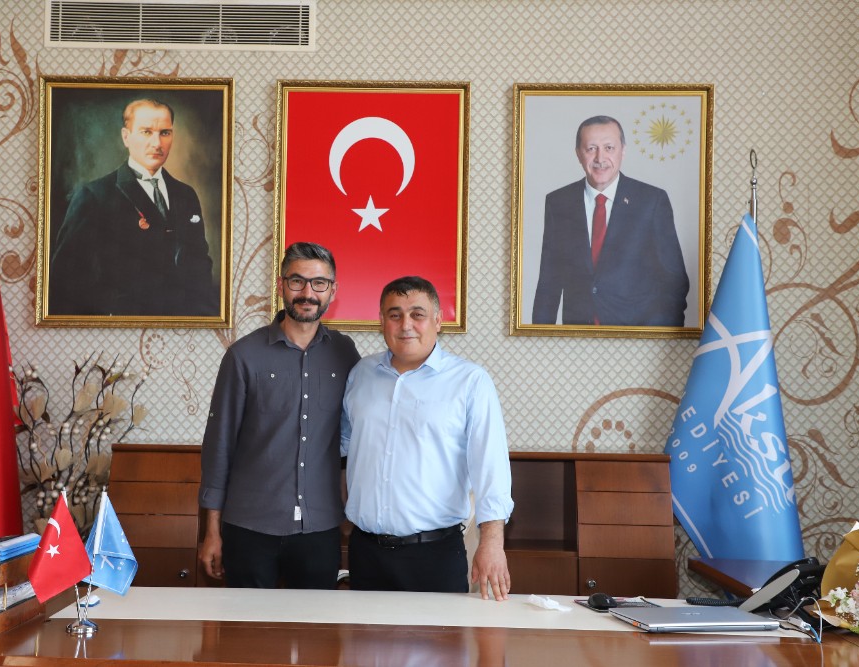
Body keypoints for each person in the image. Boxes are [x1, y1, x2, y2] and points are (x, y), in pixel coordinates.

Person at [341, 276, 514, 601]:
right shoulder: (360, 375)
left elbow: (491, 469)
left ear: (438, 321)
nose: (406, 324)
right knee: (363, 637)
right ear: (381, 321)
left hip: (434, 556)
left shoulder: (470, 381)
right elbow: (345, 450)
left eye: (417, 314)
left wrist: (492, 544)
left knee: (442, 637)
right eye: (395, 314)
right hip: (366, 553)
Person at [199, 242, 360, 588]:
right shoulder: (243, 356)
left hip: (320, 528)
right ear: (281, 286)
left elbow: (354, 436)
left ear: (333, 291)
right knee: (246, 623)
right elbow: (219, 445)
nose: (308, 293)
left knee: (315, 623)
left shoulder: (345, 354)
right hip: (249, 527)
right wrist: (212, 530)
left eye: (319, 283)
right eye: (297, 281)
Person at [49, 98, 218, 317]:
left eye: (165, 133)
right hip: (122, 325)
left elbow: (199, 264)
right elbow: (66, 279)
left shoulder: (186, 194)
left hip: (183, 324)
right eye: (146, 132)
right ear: (126, 137)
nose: (157, 143)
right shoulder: (94, 196)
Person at [531, 115, 689, 327]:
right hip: (577, 337)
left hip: (635, 334)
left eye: (609, 148)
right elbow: (548, 282)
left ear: (623, 150)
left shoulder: (651, 201)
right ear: (578, 153)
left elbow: (674, 283)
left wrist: (657, 336)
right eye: (591, 149)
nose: (600, 157)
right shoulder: (559, 202)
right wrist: (540, 337)